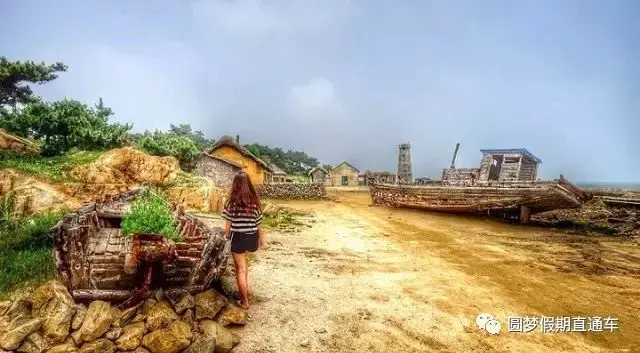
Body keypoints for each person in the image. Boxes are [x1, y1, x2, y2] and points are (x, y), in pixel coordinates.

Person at [221, 172, 266, 309]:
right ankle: (246, 292)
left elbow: (227, 228)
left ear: (235, 185)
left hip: (238, 238)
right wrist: (262, 241)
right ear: (248, 185)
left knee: (240, 269)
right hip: (252, 238)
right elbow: (259, 225)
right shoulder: (255, 203)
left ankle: (244, 302)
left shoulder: (231, 203)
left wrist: (225, 239)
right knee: (244, 267)